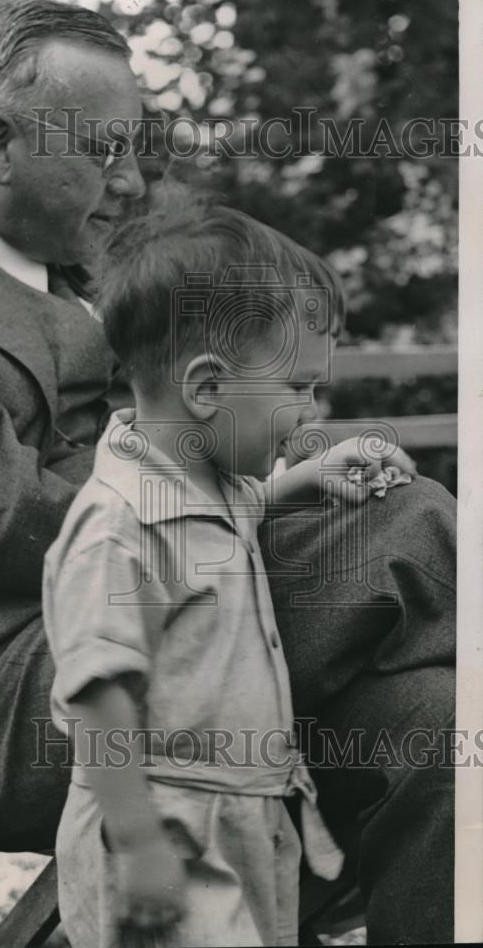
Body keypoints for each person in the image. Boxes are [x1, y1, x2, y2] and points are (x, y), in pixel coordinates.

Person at [0, 0, 455, 948]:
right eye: (103, 150)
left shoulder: (112, 284)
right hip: (11, 691)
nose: (132, 181)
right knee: (407, 525)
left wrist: (313, 460)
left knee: (440, 730)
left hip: (200, 647)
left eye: (135, 148)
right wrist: (239, 490)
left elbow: (217, 416)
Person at [43, 201, 420, 947]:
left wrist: (310, 474)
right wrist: (141, 841)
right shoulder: (117, 529)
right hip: (163, 828)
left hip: (243, 820)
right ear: (207, 388)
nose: (312, 410)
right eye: (298, 389)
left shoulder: (201, 482)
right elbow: (96, 696)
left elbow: (229, 522)